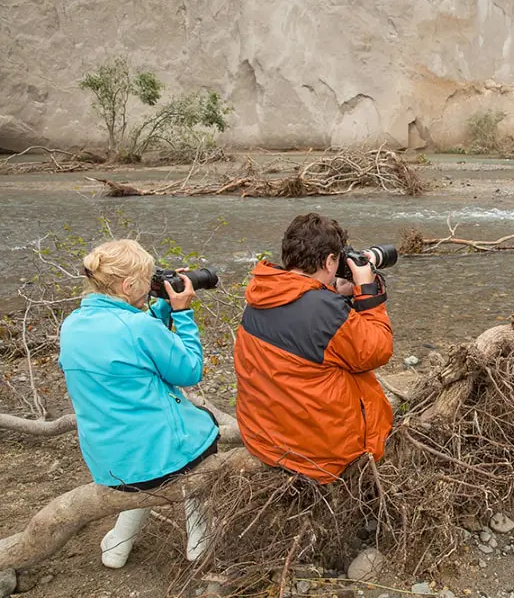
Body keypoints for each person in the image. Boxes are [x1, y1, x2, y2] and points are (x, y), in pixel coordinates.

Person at [58, 239, 219, 568]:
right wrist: (183, 313)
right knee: (204, 429)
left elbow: (135, 341)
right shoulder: (139, 327)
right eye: (149, 281)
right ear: (128, 285)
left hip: (111, 462)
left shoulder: (73, 323)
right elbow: (189, 371)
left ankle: (120, 542)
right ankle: (199, 537)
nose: (152, 286)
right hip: (156, 457)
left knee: (143, 442)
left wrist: (160, 305)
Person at [234, 213, 393, 483]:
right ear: (331, 260)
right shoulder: (325, 311)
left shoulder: (262, 292)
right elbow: (378, 350)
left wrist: (332, 293)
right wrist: (366, 291)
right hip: (317, 454)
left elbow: (305, 321)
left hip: (264, 436)